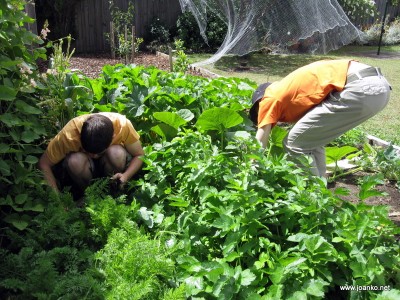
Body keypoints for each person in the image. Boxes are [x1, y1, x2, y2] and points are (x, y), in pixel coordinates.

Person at [249, 59, 391, 177]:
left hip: (359, 87)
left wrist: (249, 171)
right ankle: (321, 192)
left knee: (294, 143)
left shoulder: (270, 98)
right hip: (378, 86)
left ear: (259, 103)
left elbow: (260, 142)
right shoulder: (292, 91)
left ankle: (312, 197)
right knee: (310, 141)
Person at [38, 112, 144, 198]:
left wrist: (126, 176)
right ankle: (89, 193)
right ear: (79, 136)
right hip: (83, 168)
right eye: (87, 151)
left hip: (110, 163)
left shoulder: (122, 125)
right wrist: (57, 200)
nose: (94, 156)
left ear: (113, 137)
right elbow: (44, 163)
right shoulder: (68, 135)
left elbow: (139, 155)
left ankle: (113, 189)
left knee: (116, 153)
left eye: (99, 153)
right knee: (75, 161)